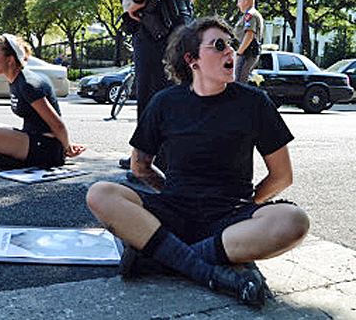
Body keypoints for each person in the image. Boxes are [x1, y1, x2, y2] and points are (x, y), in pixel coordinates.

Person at [86, 17, 310, 307]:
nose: (231, 51)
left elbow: (282, 176)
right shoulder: (165, 102)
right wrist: (168, 191)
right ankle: (209, 271)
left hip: (230, 219)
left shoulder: (255, 103)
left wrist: (250, 207)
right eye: (219, 46)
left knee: (294, 221)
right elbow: (139, 166)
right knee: (100, 193)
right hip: (174, 211)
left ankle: (163, 260)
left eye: (230, 45)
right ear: (192, 59)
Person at [119, 0, 205, 170]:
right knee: (175, 90)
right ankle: (170, 156)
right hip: (182, 22)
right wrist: (179, 9)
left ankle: (146, 160)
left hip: (155, 23)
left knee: (150, 91)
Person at [0, 34, 85, 170]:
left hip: (47, 147)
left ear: (10, 59)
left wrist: (67, 148)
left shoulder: (28, 84)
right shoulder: (15, 80)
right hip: (29, 137)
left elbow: (57, 124)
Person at [234, 0, 263, 84]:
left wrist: (239, 53)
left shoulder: (250, 15)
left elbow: (249, 35)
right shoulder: (250, 14)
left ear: (246, 2)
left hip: (247, 53)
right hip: (247, 52)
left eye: (239, 1)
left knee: (239, 82)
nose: (237, 4)